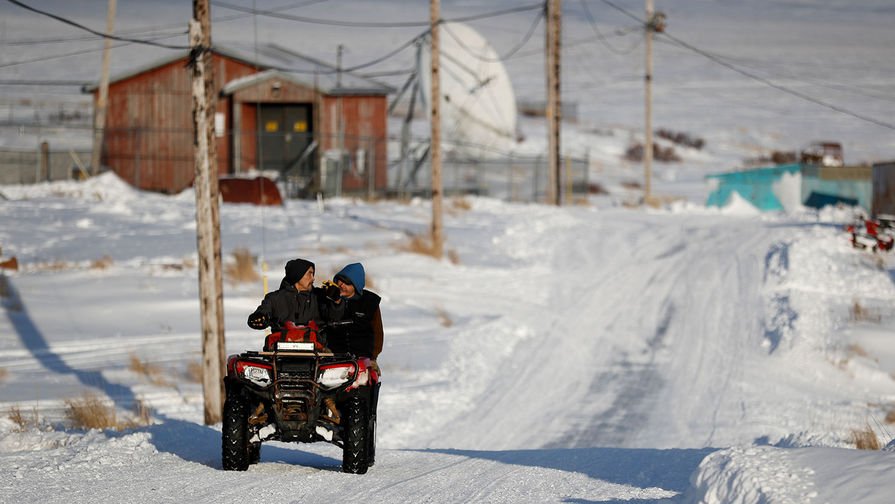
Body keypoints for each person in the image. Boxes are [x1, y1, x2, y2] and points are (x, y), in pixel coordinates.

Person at [247, 258, 340, 337]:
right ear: (297, 275)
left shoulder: (320, 296)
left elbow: (335, 317)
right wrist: (259, 318)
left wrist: (336, 300)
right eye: (309, 274)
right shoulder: (274, 298)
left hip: (317, 351)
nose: (313, 278)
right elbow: (262, 313)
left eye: (313, 274)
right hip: (281, 350)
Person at [326, 262, 383, 361]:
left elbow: (377, 332)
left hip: (363, 358)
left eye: (346, 282)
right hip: (333, 357)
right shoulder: (329, 299)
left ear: (356, 284)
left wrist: (373, 357)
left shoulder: (370, 302)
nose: (341, 285)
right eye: (339, 281)